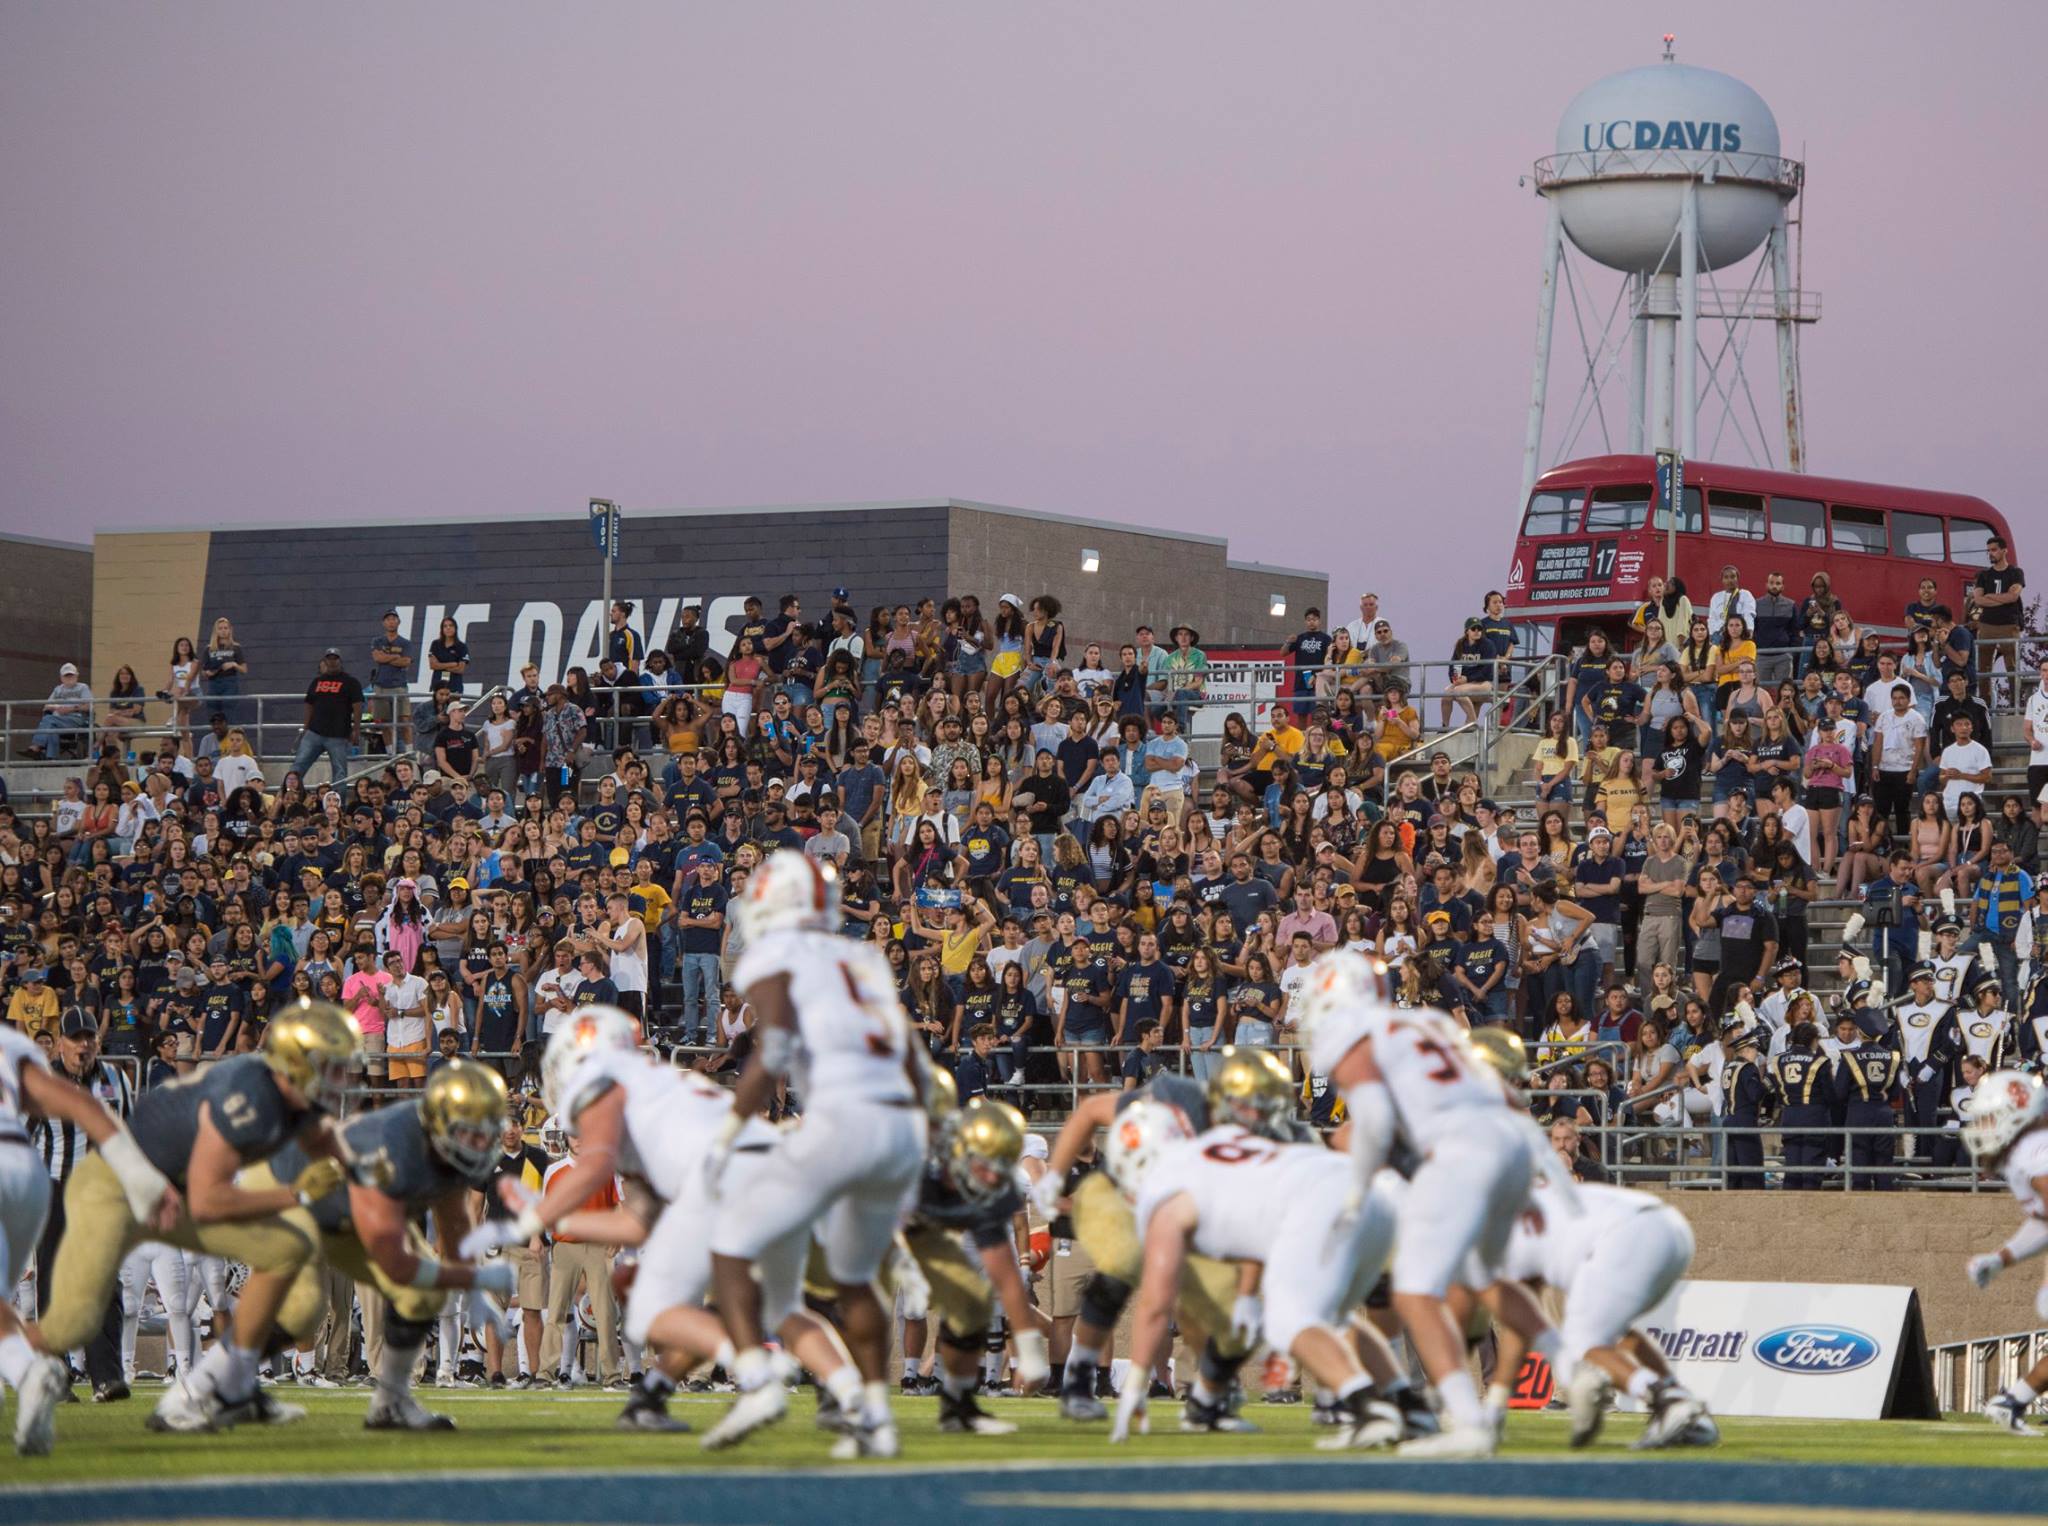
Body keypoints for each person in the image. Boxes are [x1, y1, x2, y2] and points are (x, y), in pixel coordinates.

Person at [31, 1002, 360, 1437]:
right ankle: (192, 1396)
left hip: (155, 1185)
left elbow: (327, 1141)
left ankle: (224, 1385)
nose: (336, 1078)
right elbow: (208, 1202)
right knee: (68, 1305)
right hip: (115, 1193)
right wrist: (298, 1195)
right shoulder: (247, 1098)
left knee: (296, 1281)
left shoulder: (289, 1092)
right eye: (327, 1065)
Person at [703, 854, 927, 1458]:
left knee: (728, 1240)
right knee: (854, 1279)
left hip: (844, 1118)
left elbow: (772, 1053)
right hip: (899, 1121)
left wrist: (726, 1136)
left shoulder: (774, 957)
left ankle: (757, 1380)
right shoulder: (862, 957)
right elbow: (906, 1048)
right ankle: (873, 1413)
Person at [1298, 949, 1551, 1458]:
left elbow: (1370, 1123)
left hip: (1457, 1160)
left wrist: (1354, 1194)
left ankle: (1464, 1418)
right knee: (1471, 1282)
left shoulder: (1358, 1039)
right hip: (1511, 1147)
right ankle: (1578, 1374)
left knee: (1414, 1293)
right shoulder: (1429, 1023)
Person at [1108, 1102, 1406, 1451]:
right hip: (1367, 1193)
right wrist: (1247, 1297)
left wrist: (1135, 1386)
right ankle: (1410, 1407)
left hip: (1322, 1207)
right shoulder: (1218, 1145)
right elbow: (1255, 1225)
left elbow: (1156, 1305)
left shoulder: (1167, 1193)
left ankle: (1368, 1407)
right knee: (1328, 1316)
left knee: (1289, 1319)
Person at [263, 1061, 513, 1429]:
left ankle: (390, 1401)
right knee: (302, 1309)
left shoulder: (446, 1145)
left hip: (362, 1212)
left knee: (424, 1292)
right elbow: (387, 1249)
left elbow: (454, 1217)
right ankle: (214, 1383)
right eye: (472, 1128)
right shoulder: (394, 1146)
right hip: (310, 1201)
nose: (480, 1140)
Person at [26, 662, 94, 760]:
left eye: (71, 675)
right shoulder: (58, 690)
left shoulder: (83, 687)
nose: (69, 677)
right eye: (66, 676)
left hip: (76, 718)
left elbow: (89, 706)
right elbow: (46, 706)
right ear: (61, 678)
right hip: (58, 719)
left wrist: (71, 709)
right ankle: (52, 759)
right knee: (52, 727)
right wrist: (58, 707)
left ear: (76, 676)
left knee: (49, 720)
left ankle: (37, 746)